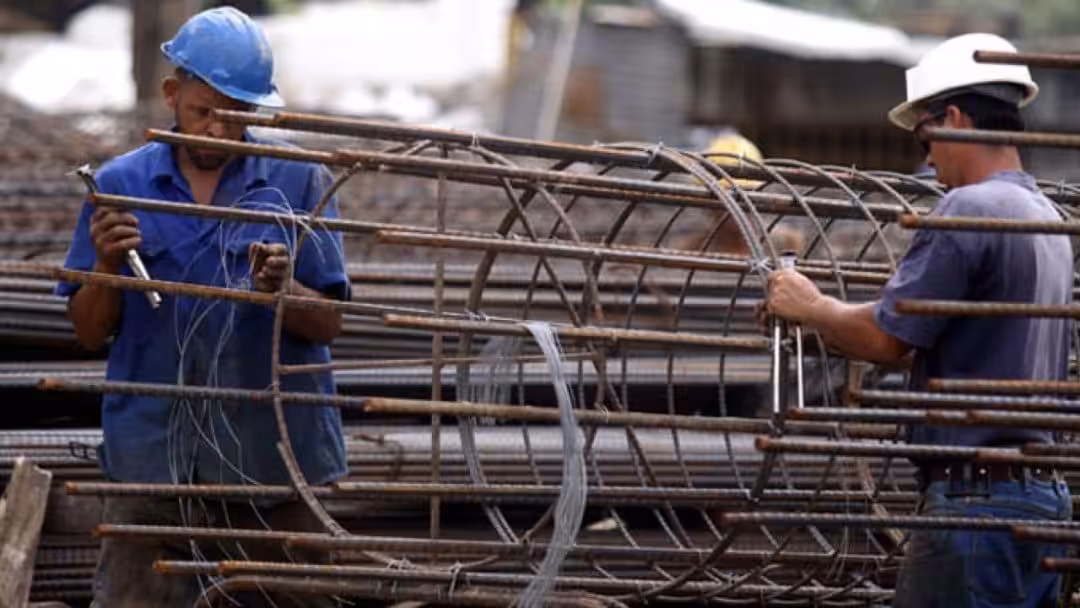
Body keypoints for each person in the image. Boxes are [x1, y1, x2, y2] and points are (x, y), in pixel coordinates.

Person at [763, 33, 1073, 607]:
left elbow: (888, 337)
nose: (929, 159)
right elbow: (916, 338)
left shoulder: (969, 208)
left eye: (928, 136)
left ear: (954, 117)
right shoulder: (1045, 219)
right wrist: (830, 317)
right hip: (1041, 505)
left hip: (976, 506)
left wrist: (810, 307)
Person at [56, 7, 349, 607]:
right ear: (172, 94)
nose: (218, 129)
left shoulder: (300, 180)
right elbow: (88, 333)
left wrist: (284, 289)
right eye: (203, 111)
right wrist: (108, 266)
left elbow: (330, 322)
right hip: (153, 464)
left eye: (237, 114)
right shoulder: (119, 184)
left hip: (270, 462)